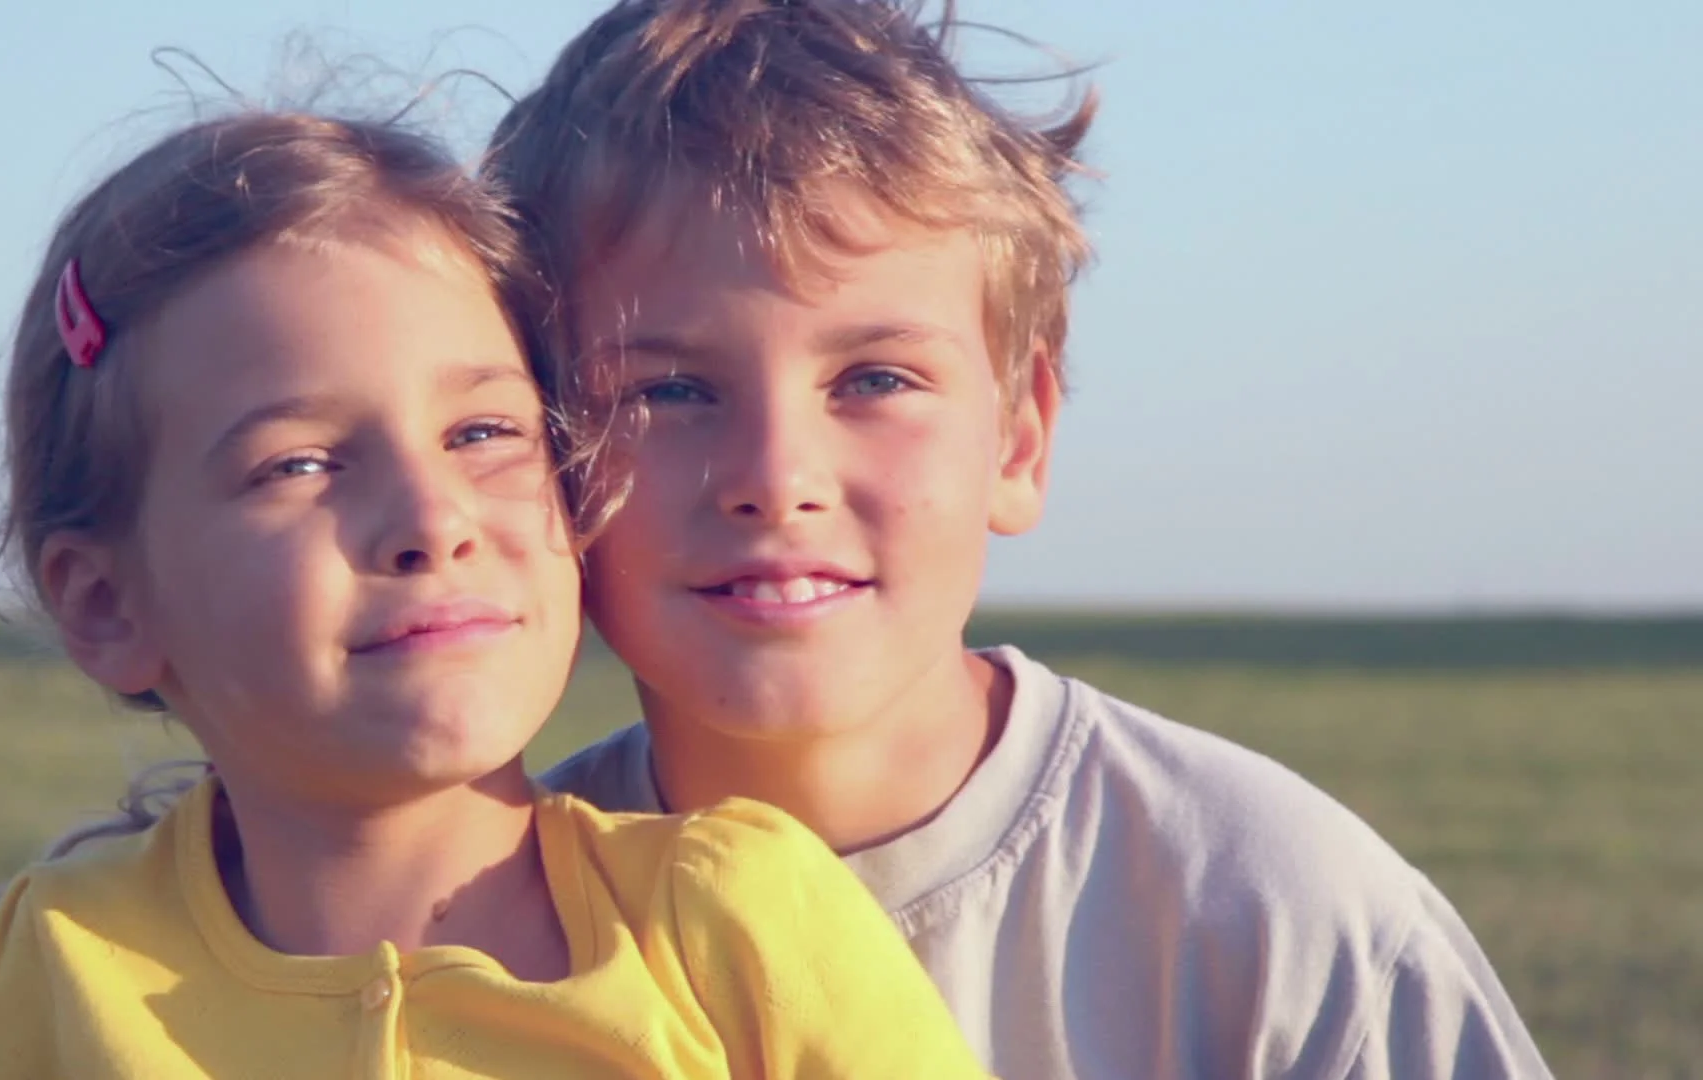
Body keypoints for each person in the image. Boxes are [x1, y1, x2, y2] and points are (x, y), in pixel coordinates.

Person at [488, 2, 1555, 1076]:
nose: (777, 478)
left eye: (875, 379)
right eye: (669, 390)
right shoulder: (476, 929)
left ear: (1019, 438)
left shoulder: (1266, 915)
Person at [0, 106, 988, 1079]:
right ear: (103, 604)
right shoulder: (69, 950)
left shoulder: (737, 919)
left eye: (483, 435)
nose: (432, 521)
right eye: (299, 464)